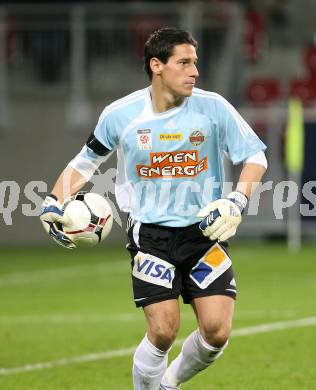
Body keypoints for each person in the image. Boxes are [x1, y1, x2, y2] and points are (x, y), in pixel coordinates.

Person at [40, 27, 267, 389]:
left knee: (217, 332)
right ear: (156, 65)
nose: (194, 71)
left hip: (204, 232)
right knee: (163, 331)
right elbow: (86, 162)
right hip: (151, 235)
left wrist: (237, 201)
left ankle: (168, 383)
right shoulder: (121, 114)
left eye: (195, 63)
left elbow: (255, 157)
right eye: (184, 63)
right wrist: (53, 202)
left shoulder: (213, 108)